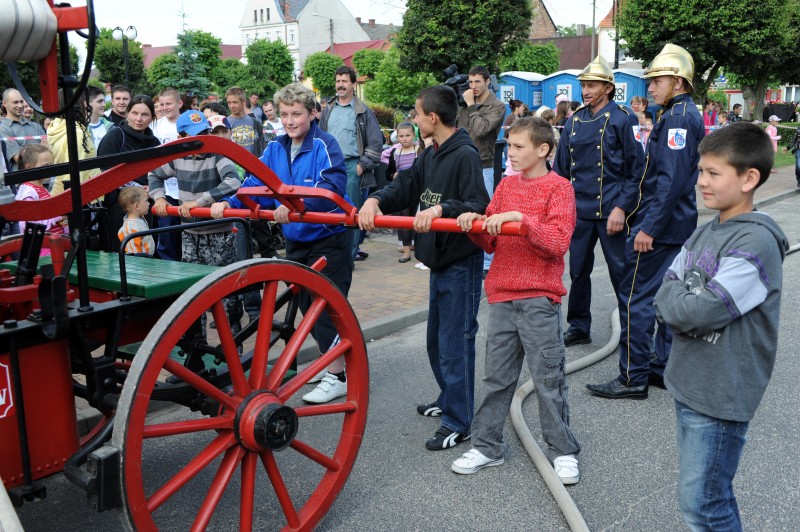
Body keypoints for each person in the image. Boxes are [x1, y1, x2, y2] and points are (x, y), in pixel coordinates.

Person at [653, 122, 787, 530]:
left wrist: (680, 305)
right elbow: (662, 296)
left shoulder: (756, 243)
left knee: (704, 505)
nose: (701, 182)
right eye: (700, 171)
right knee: (705, 497)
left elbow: (704, 311)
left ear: (749, 179)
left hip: (721, 394)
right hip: (691, 382)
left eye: (714, 173)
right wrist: (680, 304)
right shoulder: (704, 234)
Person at [450, 116, 581, 483]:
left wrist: (522, 218)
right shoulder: (506, 186)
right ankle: (487, 446)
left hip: (539, 296)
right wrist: (475, 224)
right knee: (497, 378)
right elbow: (490, 240)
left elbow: (557, 241)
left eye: (519, 146)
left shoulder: (560, 188)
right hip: (502, 294)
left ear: (543, 150)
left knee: (547, 379)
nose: (512, 152)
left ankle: (563, 450)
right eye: (510, 145)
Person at [358, 85, 489, 450]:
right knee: (436, 341)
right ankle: (449, 399)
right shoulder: (430, 153)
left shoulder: (465, 155)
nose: (413, 120)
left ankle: (458, 421)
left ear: (432, 118)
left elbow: (479, 202)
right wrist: (376, 200)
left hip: (460, 263)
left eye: (416, 114)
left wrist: (441, 210)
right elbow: (406, 185)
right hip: (438, 262)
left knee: (455, 343)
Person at [211, 84, 354, 404]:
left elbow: (331, 187)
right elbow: (254, 182)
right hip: (297, 237)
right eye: (285, 114)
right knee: (305, 303)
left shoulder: (324, 145)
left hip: (328, 236)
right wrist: (230, 203)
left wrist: (296, 206)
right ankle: (330, 361)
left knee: (327, 306)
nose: (290, 121)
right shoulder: (275, 147)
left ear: (312, 113)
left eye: (297, 114)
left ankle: (340, 375)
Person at [586, 43, 704, 399]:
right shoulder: (679, 113)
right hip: (672, 224)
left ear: (678, 82)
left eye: (657, 81)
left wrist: (648, 227)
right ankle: (658, 367)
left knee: (636, 297)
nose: (649, 87)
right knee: (665, 296)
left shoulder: (679, 117)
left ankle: (631, 377)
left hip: (660, 227)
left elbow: (669, 180)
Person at [553, 55, 645, 347]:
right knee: (578, 270)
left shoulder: (623, 117)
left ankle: (633, 331)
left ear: (608, 88)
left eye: (592, 85)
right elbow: (560, 170)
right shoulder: (575, 120)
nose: (587, 90)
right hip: (579, 211)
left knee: (622, 272)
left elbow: (636, 168)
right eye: (584, 85)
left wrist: (622, 208)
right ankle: (579, 326)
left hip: (612, 210)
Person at [150, 110, 243, 333]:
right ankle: (197, 344)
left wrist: (200, 202)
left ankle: (234, 343)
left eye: (204, 132)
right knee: (192, 291)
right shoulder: (177, 159)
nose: (200, 139)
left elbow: (233, 181)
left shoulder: (217, 156)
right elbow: (154, 175)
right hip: (190, 234)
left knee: (224, 290)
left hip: (218, 234)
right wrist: (159, 197)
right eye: (193, 135)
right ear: (181, 137)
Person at [319, 65, 383, 263]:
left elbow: (376, 141)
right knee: (327, 209)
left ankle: (350, 255)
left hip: (352, 167)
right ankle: (332, 252)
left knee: (351, 212)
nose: (340, 85)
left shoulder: (363, 111)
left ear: (353, 84)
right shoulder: (328, 109)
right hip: (329, 167)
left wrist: (362, 166)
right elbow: (319, 137)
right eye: (338, 81)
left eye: (345, 81)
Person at [456, 66, 506, 276]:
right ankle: (465, 252)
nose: (473, 87)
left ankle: (488, 261)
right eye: (470, 82)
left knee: (484, 213)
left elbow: (481, 129)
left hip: (483, 164)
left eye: (477, 82)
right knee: (460, 210)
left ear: (487, 81)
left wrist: (470, 106)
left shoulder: (497, 105)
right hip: (461, 162)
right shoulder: (465, 103)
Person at [97, 95, 161, 252]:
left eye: (145, 114)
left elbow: (160, 172)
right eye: (134, 113)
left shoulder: (154, 142)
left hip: (146, 203)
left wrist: (152, 188)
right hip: (120, 205)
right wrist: (137, 188)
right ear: (127, 113)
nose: (138, 119)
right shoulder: (116, 135)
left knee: (144, 247)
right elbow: (106, 169)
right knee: (122, 249)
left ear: (152, 117)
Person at [150, 88, 184, 261]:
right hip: (167, 190)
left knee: (187, 235)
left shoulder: (186, 123)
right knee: (167, 236)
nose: (164, 107)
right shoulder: (156, 126)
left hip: (188, 189)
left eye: (168, 103)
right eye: (161, 104)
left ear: (179, 103)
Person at [14, 144, 66, 255]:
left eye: (51, 165)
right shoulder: (28, 193)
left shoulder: (42, 189)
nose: (49, 169)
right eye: (45, 165)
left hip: (54, 245)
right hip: (42, 250)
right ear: (28, 167)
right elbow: (29, 225)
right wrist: (58, 216)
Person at [47, 88, 100, 196]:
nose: (86, 105)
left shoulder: (56, 128)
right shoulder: (76, 133)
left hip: (61, 190)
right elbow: (74, 173)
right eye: (82, 101)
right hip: (81, 195)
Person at [385, 122, 422, 263]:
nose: (405, 138)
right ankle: (406, 251)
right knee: (403, 221)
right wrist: (393, 176)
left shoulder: (419, 150)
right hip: (402, 192)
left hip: (418, 191)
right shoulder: (395, 153)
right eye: (401, 136)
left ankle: (420, 251)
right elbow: (388, 173)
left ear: (414, 135)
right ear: (397, 137)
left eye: (408, 135)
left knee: (419, 221)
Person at [0, 88, 46, 171]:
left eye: (21, 101)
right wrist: (41, 148)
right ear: (4, 103)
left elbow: (49, 152)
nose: (20, 105)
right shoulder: (3, 129)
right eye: (15, 102)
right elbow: (20, 160)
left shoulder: (36, 126)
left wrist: (26, 151)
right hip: (21, 182)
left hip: (44, 180)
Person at [117, 186, 155, 255]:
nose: (149, 203)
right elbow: (135, 256)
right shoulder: (130, 230)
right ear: (137, 206)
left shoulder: (139, 218)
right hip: (142, 263)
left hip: (148, 260)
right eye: (146, 201)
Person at [86, 86, 111, 150]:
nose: (104, 105)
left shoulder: (111, 127)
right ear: (86, 104)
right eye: (100, 101)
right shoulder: (78, 129)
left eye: (104, 101)